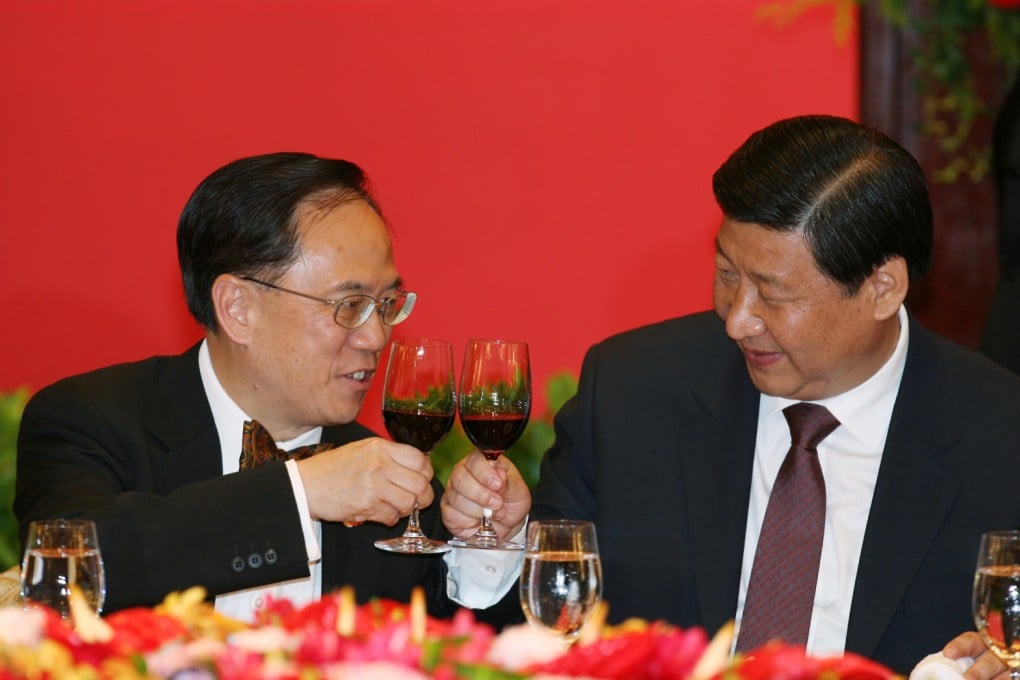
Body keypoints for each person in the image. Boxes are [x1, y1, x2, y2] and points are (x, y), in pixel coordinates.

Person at [441, 115, 1020, 674]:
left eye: (772, 293)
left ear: (882, 288)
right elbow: (530, 628)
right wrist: (501, 539)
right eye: (726, 274)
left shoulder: (1000, 437)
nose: (738, 319)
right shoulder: (631, 392)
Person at [15, 152, 507, 620]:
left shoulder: (385, 475)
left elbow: (464, 642)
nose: (376, 337)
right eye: (349, 305)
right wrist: (300, 494)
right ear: (238, 309)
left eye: (386, 304)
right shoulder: (89, 421)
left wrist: (490, 543)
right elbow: (69, 572)